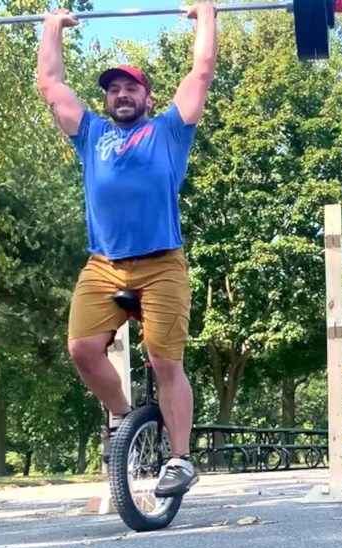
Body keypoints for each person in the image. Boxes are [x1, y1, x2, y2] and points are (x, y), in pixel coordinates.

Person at [36, 2, 217, 498]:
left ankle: (179, 459)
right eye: (113, 89)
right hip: (104, 266)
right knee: (81, 350)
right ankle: (123, 419)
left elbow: (201, 73)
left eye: (130, 87)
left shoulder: (168, 131)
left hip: (162, 264)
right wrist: (51, 28)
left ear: (146, 95)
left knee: (164, 362)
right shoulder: (90, 134)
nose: (120, 94)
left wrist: (206, 17)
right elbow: (51, 86)